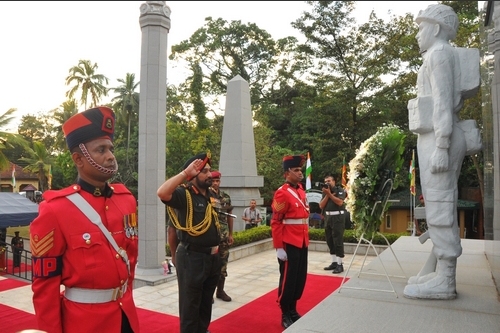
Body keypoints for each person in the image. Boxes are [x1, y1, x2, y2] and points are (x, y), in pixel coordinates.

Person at [30, 106, 140, 333]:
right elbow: (45, 286)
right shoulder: (55, 210)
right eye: (101, 149)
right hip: (85, 323)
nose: (110, 156)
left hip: (126, 315)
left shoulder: (126, 199)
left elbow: (130, 260)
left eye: (110, 148)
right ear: (78, 159)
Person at [404, 4, 472, 299]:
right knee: (436, 203)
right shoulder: (436, 55)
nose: (418, 34)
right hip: (434, 136)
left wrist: (442, 145)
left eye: (421, 27)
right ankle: (440, 272)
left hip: (439, 137)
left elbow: (444, 101)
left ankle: (446, 280)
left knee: (441, 204)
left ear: (435, 28)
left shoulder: (439, 54)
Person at [158, 153, 221, 333]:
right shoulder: (183, 195)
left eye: (210, 171)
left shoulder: (211, 195)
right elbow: (162, 192)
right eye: (204, 172)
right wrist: (185, 173)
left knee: (205, 303)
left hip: (212, 258)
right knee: (190, 306)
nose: (210, 175)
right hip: (192, 257)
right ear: (193, 176)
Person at [270, 155, 309, 329]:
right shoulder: (282, 193)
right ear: (287, 173)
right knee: (288, 279)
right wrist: (279, 246)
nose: (300, 173)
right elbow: (276, 221)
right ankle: (285, 312)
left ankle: (293, 309)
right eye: (296, 170)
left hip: (302, 241)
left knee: (299, 278)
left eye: (301, 170)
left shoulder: (301, 190)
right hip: (289, 242)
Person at [210, 170, 234, 302]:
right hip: (211, 237)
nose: (215, 183)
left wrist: (230, 233)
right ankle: (209, 292)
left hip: (223, 236)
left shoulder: (225, 197)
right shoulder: (206, 196)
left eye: (217, 181)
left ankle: (220, 291)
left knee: (223, 264)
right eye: (213, 181)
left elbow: (229, 216)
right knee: (210, 265)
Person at [319, 174, 347, 274]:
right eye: (326, 181)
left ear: (334, 181)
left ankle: (340, 264)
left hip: (338, 217)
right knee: (329, 240)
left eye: (329, 181)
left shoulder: (340, 190)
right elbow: (321, 205)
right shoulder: (325, 191)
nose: (327, 183)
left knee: (337, 240)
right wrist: (327, 194)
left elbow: (340, 202)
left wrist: (330, 194)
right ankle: (334, 262)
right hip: (328, 217)